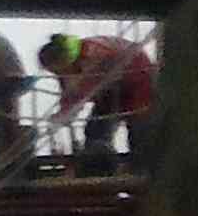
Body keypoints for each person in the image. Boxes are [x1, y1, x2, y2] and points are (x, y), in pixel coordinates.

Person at [38, 31, 156, 162]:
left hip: (137, 83)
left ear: (64, 62)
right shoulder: (68, 70)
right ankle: (98, 163)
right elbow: (70, 95)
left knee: (138, 129)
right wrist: (62, 115)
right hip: (108, 91)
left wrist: (68, 112)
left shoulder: (94, 52)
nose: (57, 74)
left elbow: (84, 88)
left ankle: (141, 164)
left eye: (56, 70)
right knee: (95, 130)